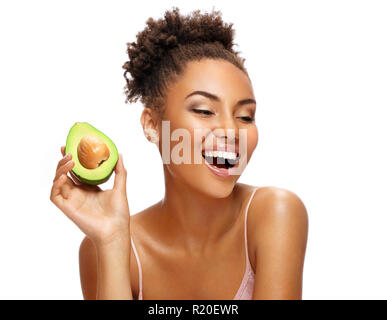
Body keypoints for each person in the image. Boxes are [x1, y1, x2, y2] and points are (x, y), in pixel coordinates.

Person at [50, 7, 308, 300]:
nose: (231, 131)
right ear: (152, 125)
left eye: (245, 116)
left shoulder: (274, 213)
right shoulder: (107, 248)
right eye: (203, 111)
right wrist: (111, 241)